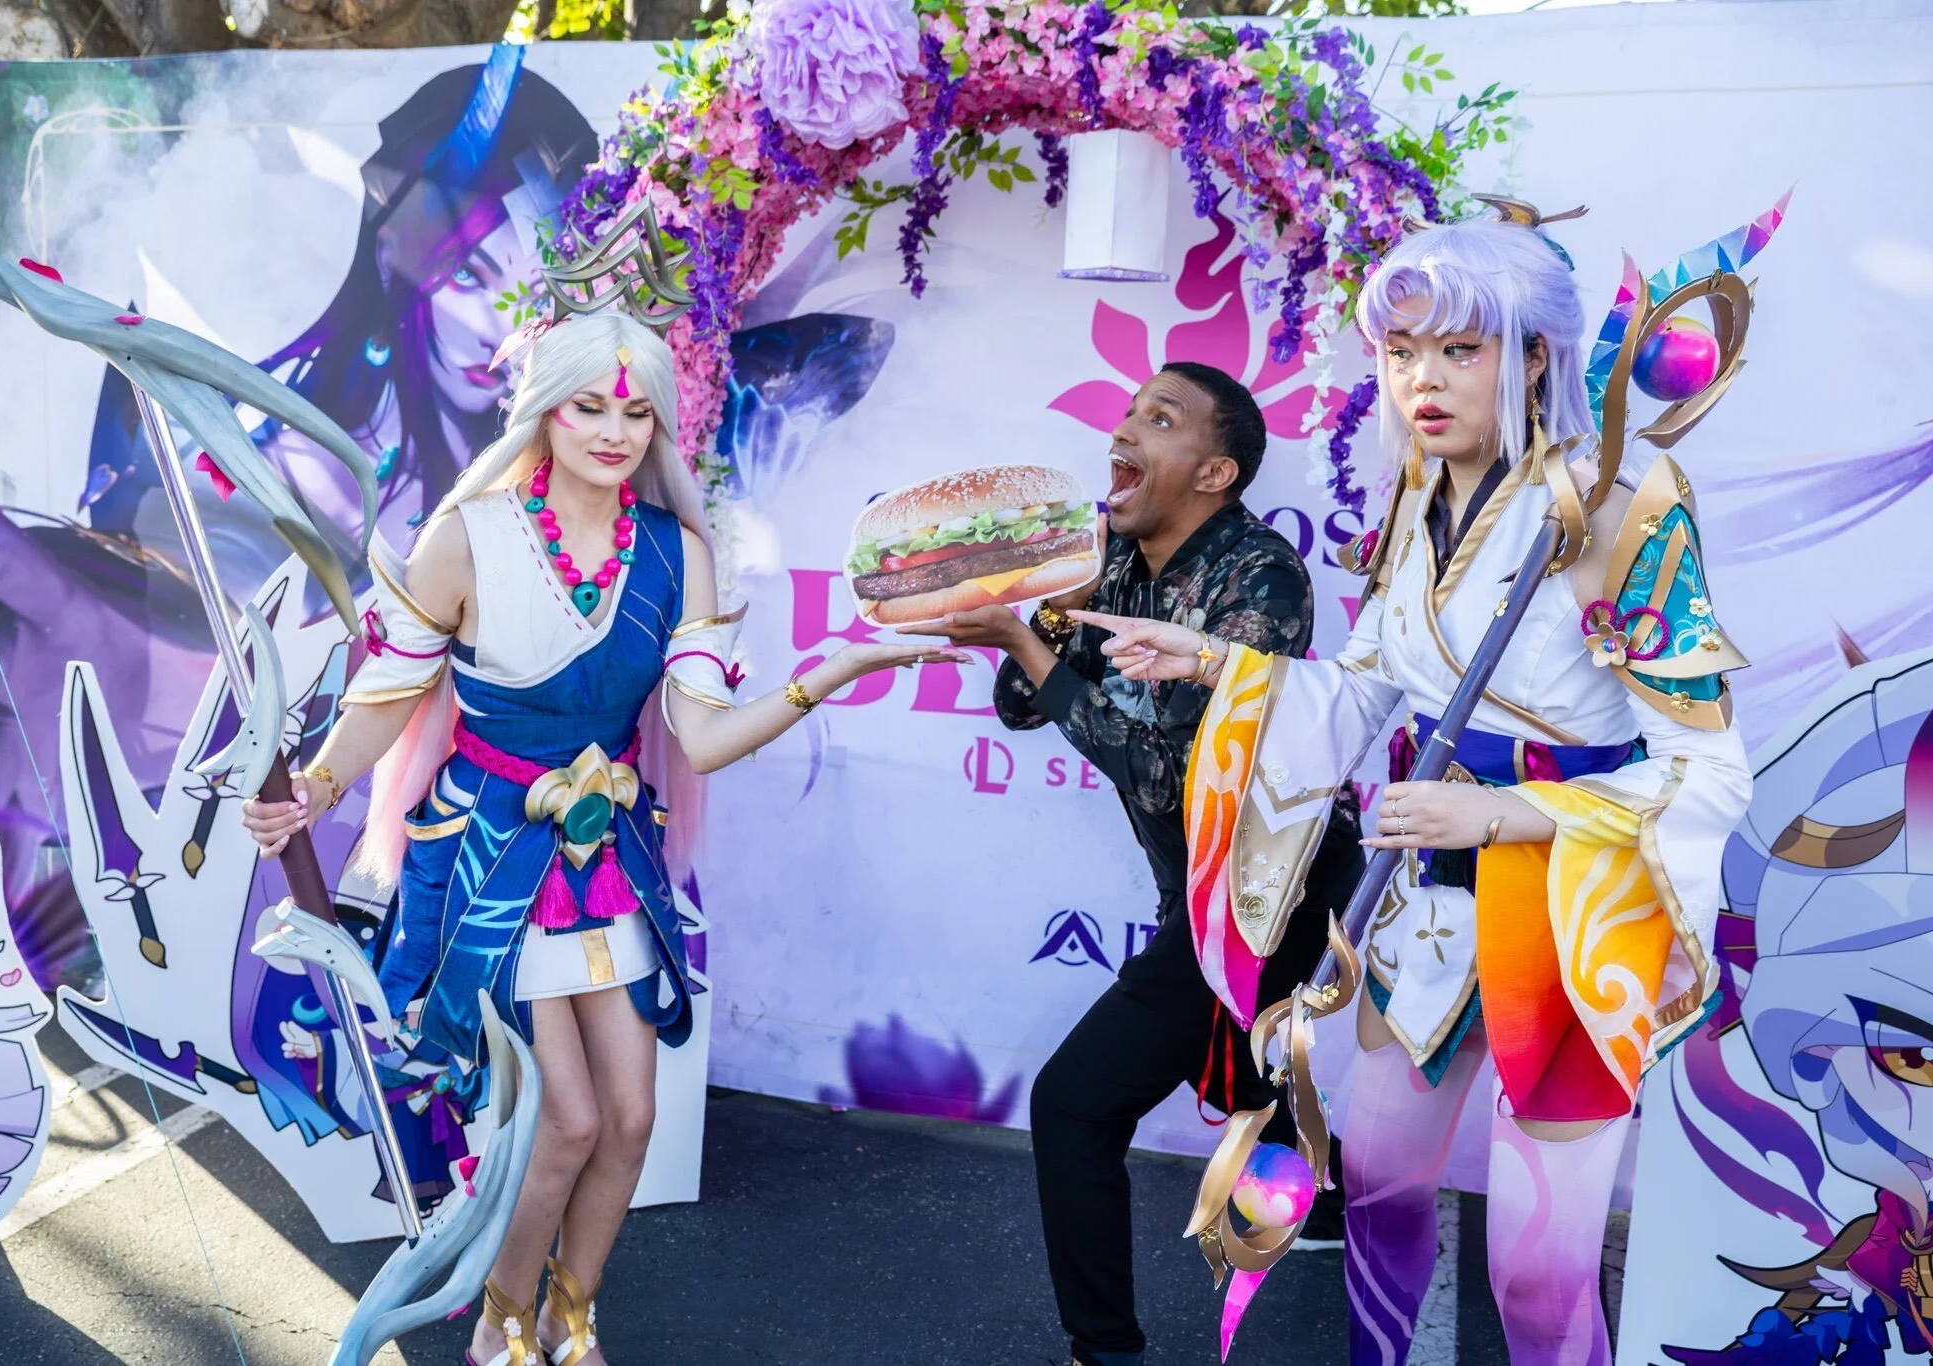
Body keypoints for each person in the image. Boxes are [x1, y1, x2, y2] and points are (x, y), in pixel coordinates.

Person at [1075, 214, 1752, 1365]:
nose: (1420, 382)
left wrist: (1504, 811)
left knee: (1534, 1273)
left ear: (1532, 354)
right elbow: (1366, 690)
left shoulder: (1620, 516)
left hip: (1571, 913)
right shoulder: (1411, 506)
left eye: (1456, 350)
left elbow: (1706, 766)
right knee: (1379, 1189)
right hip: (1429, 905)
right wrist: (1213, 662)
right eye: (1399, 354)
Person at [241, 309, 961, 1366]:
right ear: (544, 408)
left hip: (607, 854)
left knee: (630, 1115)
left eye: (636, 410)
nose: (614, 429)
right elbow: (389, 693)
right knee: (563, 1121)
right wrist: (314, 784)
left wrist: (830, 670)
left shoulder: (675, 555)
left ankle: (570, 1313)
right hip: (492, 854)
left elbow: (701, 738)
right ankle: (500, 1321)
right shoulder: (466, 536)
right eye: (589, 404)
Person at [915, 360, 1363, 1366]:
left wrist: (1034, 644)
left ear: (1213, 471)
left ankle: (1102, 1350)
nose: (1124, 431)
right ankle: (1319, 1194)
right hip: (1195, 890)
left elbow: (1164, 776)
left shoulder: (1261, 583)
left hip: (1271, 892)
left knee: (1073, 1103)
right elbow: (1018, 706)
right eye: (1125, 414)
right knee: (1254, 1057)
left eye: (1157, 419)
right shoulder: (1109, 558)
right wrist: (1047, 608)